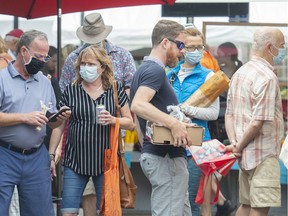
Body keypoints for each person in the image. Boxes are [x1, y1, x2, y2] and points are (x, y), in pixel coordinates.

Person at [57, 13, 136, 216]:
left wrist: (115, 118)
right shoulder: (73, 59)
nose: (86, 68)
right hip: (76, 153)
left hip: (107, 155)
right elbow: (62, 110)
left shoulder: (122, 56)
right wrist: (55, 151)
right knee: (74, 206)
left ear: (102, 67)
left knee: (107, 209)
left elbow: (130, 98)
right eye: (84, 65)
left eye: (91, 65)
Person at [0, 29, 71, 216]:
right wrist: (24, 117)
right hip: (4, 154)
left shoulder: (45, 83)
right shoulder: (2, 79)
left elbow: (51, 122)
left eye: (45, 57)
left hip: (36, 156)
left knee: (40, 212)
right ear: (23, 51)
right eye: (38, 56)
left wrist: (58, 120)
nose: (42, 61)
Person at [130, 19, 193, 216]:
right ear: (165, 43)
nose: (183, 51)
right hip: (165, 157)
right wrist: (174, 123)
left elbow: (138, 118)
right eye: (180, 45)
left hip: (162, 155)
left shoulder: (144, 70)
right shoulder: (155, 70)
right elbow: (138, 105)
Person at [225, 27, 285, 216]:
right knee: (259, 208)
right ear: (269, 47)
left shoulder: (240, 73)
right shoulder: (267, 77)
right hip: (263, 153)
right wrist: (238, 147)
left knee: (246, 204)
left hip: (245, 155)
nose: (283, 51)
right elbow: (257, 122)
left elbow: (230, 114)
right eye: (282, 46)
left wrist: (235, 142)